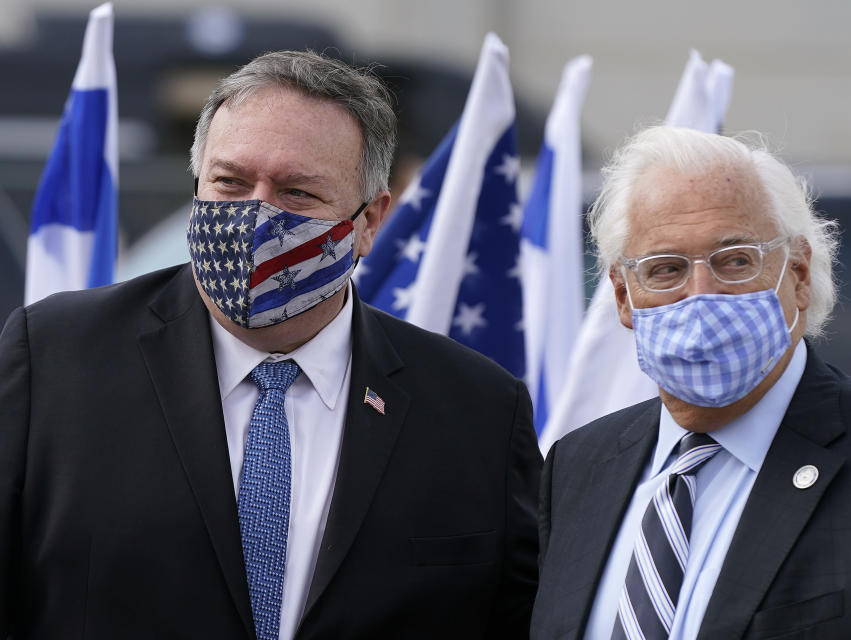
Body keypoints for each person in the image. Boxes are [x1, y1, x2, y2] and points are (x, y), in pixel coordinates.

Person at [0, 50, 541, 639]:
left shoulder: (477, 410)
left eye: (297, 193)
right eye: (230, 182)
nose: (256, 215)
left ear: (369, 222)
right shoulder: (56, 358)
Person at [530, 126, 851, 639]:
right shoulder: (579, 466)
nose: (701, 295)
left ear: (798, 274)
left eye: (735, 261)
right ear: (624, 297)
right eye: (665, 269)